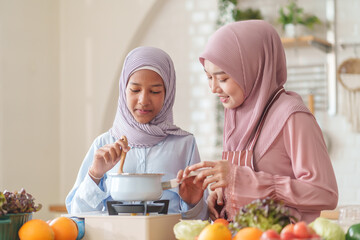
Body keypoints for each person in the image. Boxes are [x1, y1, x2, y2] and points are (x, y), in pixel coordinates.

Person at [179, 20, 338, 223]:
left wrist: (241, 180)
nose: (214, 88)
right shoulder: (235, 115)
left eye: (223, 78)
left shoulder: (292, 116)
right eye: (209, 77)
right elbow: (244, 186)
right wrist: (223, 197)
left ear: (252, 68)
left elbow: (325, 193)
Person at [66, 46, 208, 220]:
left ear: (168, 93)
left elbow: (200, 222)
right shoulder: (103, 144)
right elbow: (76, 216)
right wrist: (95, 175)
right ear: (123, 90)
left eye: (155, 91)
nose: (143, 100)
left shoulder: (185, 144)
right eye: (135, 90)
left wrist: (193, 203)